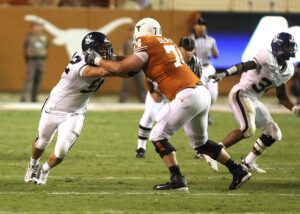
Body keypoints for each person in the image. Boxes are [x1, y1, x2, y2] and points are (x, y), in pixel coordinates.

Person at [84, 17, 251, 191]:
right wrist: (113, 58)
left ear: (144, 31)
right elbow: (133, 65)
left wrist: (97, 60)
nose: (136, 38)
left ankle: (177, 178)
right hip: (201, 93)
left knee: (157, 135)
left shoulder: (147, 41)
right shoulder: (166, 43)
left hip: (187, 94)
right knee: (201, 143)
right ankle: (237, 170)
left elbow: (123, 68)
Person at [24, 32, 114, 185]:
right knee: (42, 142)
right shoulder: (82, 67)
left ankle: (44, 169)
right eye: (101, 48)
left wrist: (139, 61)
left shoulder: (97, 58)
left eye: (106, 47)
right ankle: (32, 165)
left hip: (76, 112)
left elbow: (121, 63)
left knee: (61, 152)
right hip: (55, 107)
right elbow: (109, 70)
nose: (106, 51)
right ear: (91, 50)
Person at [208, 32, 300, 173]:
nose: (290, 50)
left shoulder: (288, 70)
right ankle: (213, 153)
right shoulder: (266, 56)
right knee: (248, 129)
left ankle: (247, 163)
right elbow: (244, 66)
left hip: (253, 99)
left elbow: (281, 95)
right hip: (241, 93)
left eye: (291, 47)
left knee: (274, 132)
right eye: (287, 47)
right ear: (278, 46)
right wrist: (225, 74)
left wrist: (294, 108)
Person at [135, 37, 202, 158]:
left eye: (191, 49)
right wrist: (152, 91)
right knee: (149, 115)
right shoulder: (167, 56)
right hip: (159, 91)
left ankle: (200, 149)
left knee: (189, 120)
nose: (189, 52)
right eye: (186, 49)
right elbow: (147, 72)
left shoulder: (196, 63)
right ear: (178, 48)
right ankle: (141, 147)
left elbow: (196, 83)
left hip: (178, 94)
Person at [189, 18, 219, 125]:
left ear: (205, 27)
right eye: (199, 24)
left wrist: (213, 51)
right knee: (202, 93)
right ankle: (203, 114)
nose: (201, 26)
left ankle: (206, 112)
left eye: (203, 24)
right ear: (195, 26)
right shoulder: (190, 39)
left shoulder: (211, 40)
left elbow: (216, 55)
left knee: (213, 94)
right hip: (197, 68)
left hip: (209, 67)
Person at [21, 20, 49, 103]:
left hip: (41, 60)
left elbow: (46, 47)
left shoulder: (44, 36)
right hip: (32, 60)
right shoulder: (29, 36)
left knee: (38, 79)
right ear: (32, 27)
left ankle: (34, 97)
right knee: (29, 78)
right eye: (36, 26)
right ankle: (24, 97)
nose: (38, 28)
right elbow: (25, 47)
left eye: (40, 26)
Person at [119, 25, 146, 103]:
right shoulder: (126, 42)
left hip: (139, 67)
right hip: (129, 67)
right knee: (126, 86)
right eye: (132, 31)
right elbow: (120, 53)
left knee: (141, 85)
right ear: (129, 32)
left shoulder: (141, 42)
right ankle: (122, 101)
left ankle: (143, 100)